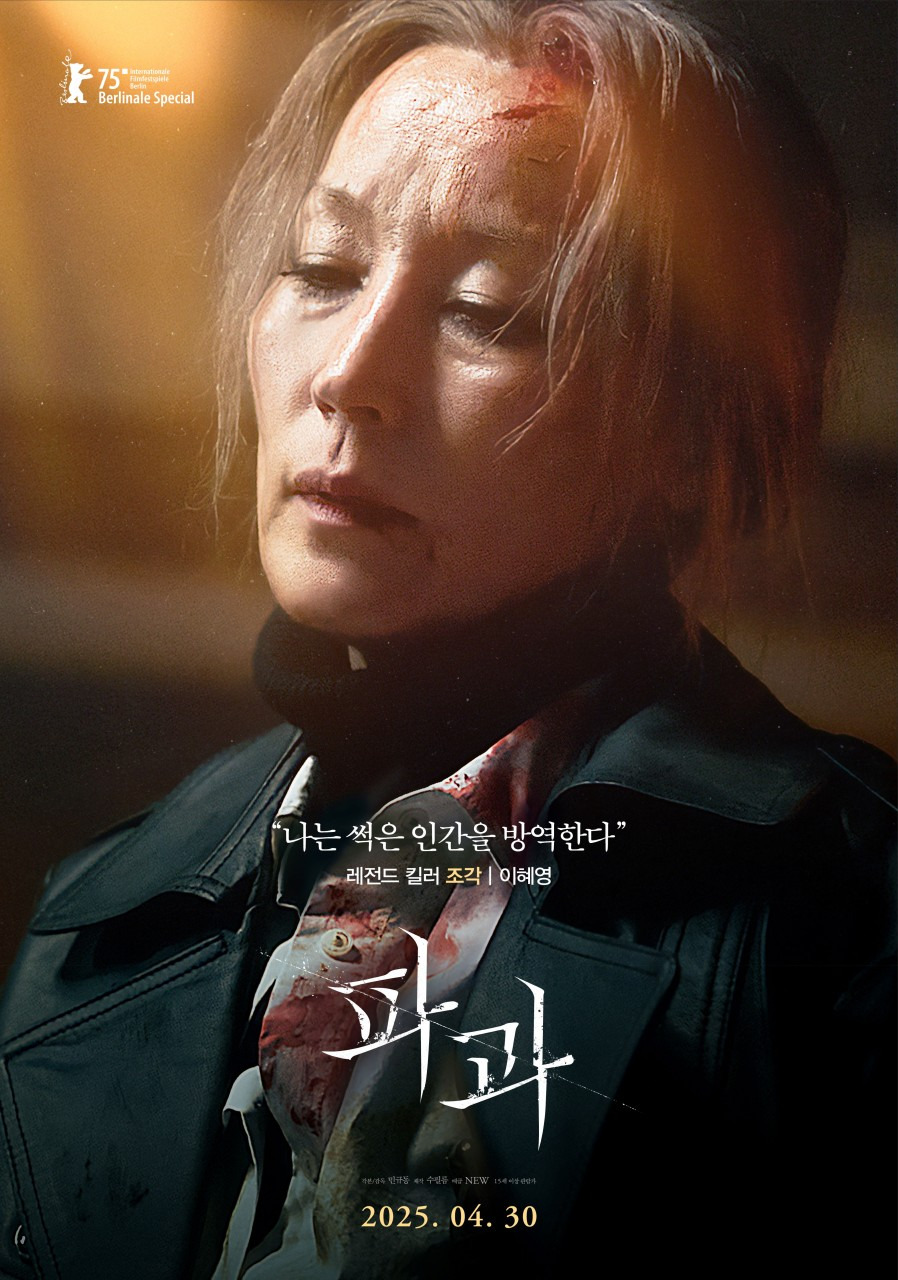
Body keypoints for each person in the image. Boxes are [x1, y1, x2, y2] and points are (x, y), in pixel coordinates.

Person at [0, 1, 893, 1277]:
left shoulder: (845, 926)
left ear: (691, 434)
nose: (346, 373)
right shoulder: (103, 917)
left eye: (488, 308)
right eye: (322, 271)